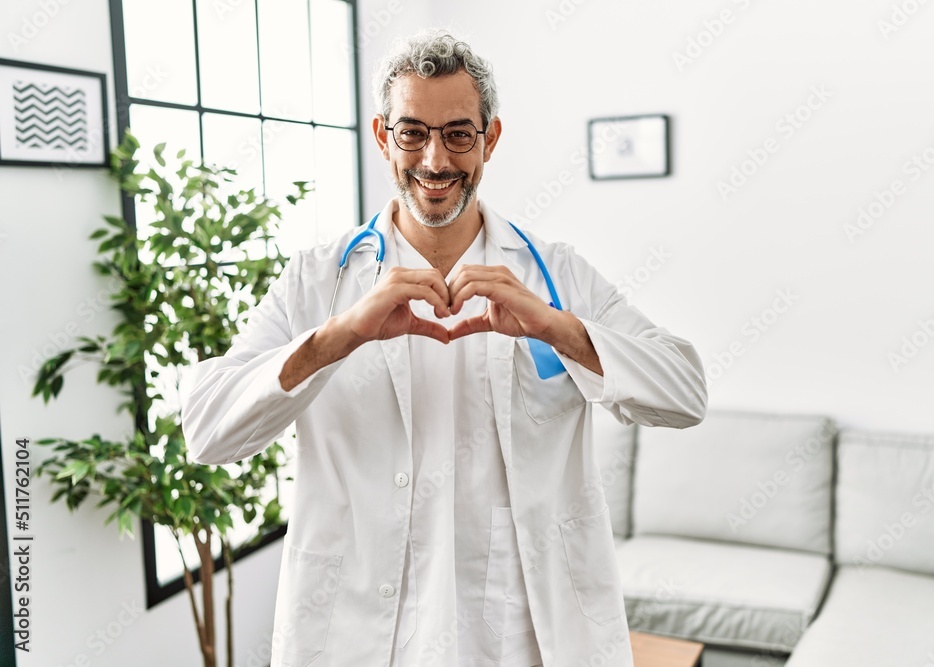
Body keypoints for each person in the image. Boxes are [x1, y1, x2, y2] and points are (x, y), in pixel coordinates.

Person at [181, 30, 707, 667]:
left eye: (459, 133)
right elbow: (207, 432)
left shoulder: (554, 275)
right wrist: (339, 336)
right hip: (362, 634)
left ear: (490, 138)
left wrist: (552, 326)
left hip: (520, 636)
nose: (434, 160)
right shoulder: (319, 281)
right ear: (382, 135)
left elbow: (684, 393)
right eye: (412, 133)